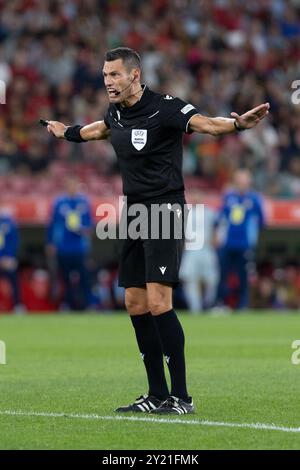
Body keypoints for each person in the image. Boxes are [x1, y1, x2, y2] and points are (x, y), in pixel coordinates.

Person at [43, 47, 270, 414]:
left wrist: (239, 124)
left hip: (164, 208)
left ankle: (182, 397)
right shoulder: (115, 112)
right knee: (134, 303)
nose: (108, 82)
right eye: (104, 76)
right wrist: (65, 132)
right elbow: (98, 130)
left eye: (114, 75)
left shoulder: (166, 107)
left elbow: (207, 125)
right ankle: (156, 394)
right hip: (133, 210)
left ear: (134, 75)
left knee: (158, 301)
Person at [214, 169, 265, 310]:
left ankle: (243, 305)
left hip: (245, 245)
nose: (242, 183)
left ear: (249, 182)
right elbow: (220, 218)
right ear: (235, 182)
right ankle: (220, 304)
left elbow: (262, 221)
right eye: (240, 180)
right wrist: (218, 235)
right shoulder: (228, 197)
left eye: (245, 180)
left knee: (244, 277)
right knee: (223, 275)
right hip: (227, 244)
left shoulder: (254, 199)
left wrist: (252, 236)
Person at [47, 176, 93, 310]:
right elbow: (52, 224)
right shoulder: (59, 203)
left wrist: (83, 229)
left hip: (80, 247)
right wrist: (50, 242)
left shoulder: (84, 202)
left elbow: (90, 223)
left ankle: (88, 304)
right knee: (65, 278)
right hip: (63, 247)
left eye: (74, 185)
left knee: (84, 278)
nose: (72, 188)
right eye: (70, 185)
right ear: (66, 187)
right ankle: (67, 304)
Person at [180, 199, 219, 313]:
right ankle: (195, 308)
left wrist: (215, 239)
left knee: (212, 279)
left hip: (207, 249)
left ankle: (208, 304)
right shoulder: (185, 212)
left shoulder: (210, 212)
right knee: (190, 279)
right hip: (191, 250)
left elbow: (217, 228)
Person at [0, 208, 23, 312]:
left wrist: (9, 257)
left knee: (14, 282)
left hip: (8, 260)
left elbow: (14, 243)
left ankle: (17, 305)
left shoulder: (9, 223)